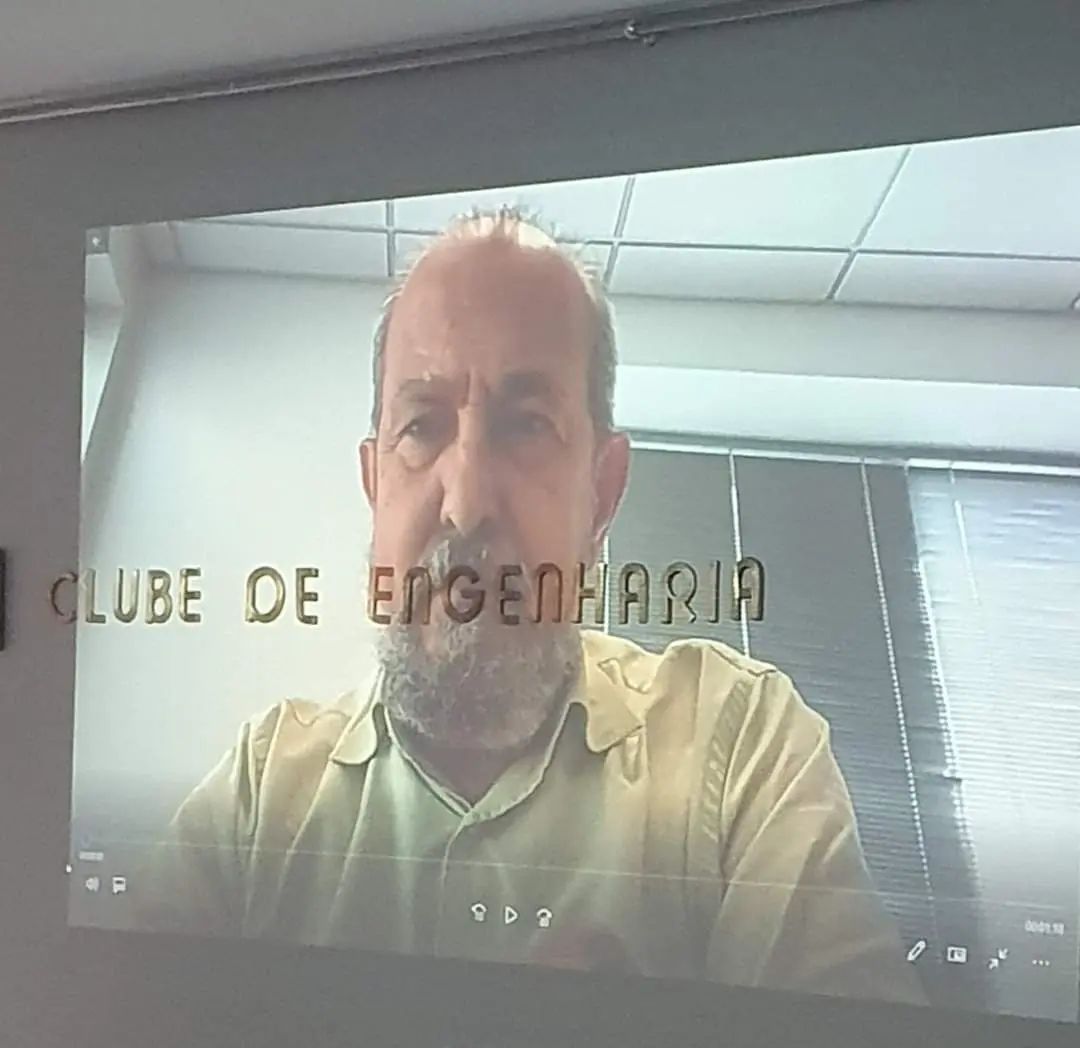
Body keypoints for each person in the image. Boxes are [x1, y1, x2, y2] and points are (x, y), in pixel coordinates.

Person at [149, 207, 922, 1004]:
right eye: (421, 426)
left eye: (525, 425)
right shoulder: (262, 785)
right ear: (376, 486)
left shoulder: (738, 747)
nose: (465, 505)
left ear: (602, 492)